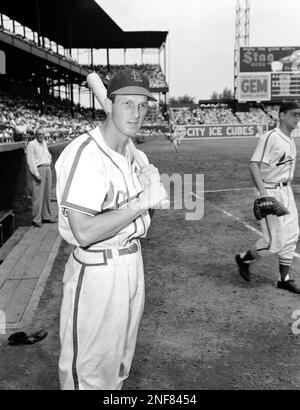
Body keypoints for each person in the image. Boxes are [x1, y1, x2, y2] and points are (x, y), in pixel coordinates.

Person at [55, 68, 166, 390]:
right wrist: (141, 202)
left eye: (143, 105)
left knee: (118, 367)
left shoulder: (136, 155)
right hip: (97, 271)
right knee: (89, 374)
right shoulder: (85, 154)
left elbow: (140, 224)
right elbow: (84, 232)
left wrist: (150, 197)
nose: (137, 113)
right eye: (127, 103)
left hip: (132, 263)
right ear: (111, 103)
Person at [235, 101, 300, 294]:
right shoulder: (270, 137)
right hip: (270, 192)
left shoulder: (290, 139)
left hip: (286, 191)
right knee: (275, 243)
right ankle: (244, 258)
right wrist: (264, 194)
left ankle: (283, 279)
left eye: (299, 114)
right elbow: (254, 165)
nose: (297, 118)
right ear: (282, 115)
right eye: (294, 114)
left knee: (293, 235)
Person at [26, 127, 54, 228]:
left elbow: (47, 154)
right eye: (39, 134)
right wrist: (36, 174)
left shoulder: (44, 143)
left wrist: (49, 161)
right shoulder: (31, 144)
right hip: (39, 169)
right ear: (36, 135)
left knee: (46, 194)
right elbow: (31, 160)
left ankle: (46, 217)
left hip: (47, 167)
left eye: (43, 134)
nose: (41, 136)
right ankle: (36, 219)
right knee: (37, 196)